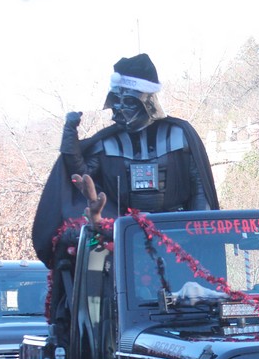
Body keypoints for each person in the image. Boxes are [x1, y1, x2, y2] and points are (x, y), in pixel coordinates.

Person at [32, 53, 220, 268]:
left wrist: (199, 231)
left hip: (178, 233)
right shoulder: (107, 143)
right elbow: (81, 174)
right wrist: (69, 136)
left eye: (128, 102)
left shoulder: (179, 134)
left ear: (147, 101)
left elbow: (199, 188)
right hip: (126, 236)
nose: (120, 109)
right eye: (116, 102)